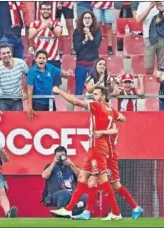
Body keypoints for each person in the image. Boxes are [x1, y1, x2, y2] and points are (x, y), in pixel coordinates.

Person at [50, 85, 123, 220]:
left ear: (102, 96)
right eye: (93, 94)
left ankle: (116, 212)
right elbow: (123, 118)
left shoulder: (98, 106)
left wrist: (60, 91)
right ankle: (69, 209)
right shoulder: (110, 109)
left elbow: (76, 102)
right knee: (83, 177)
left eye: (96, 94)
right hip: (94, 147)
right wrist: (108, 126)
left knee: (102, 179)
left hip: (98, 147)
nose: (93, 96)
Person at [72, 111, 144, 220]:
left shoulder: (110, 124)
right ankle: (87, 212)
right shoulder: (107, 122)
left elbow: (115, 128)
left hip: (109, 157)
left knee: (115, 185)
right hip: (103, 155)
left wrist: (101, 132)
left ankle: (133, 208)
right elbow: (122, 119)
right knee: (92, 181)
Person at [0, 43, 29, 122]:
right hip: (2, 99)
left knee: (18, 123)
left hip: (17, 99)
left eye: (8, 52)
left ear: (11, 53)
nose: (6, 55)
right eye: (3, 53)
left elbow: (29, 76)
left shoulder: (21, 63)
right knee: (3, 124)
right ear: (0, 55)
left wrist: (25, 90)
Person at [26, 50, 72, 120]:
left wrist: (68, 73)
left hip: (50, 101)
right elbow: (29, 90)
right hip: (38, 103)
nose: (41, 60)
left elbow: (63, 74)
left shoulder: (50, 67)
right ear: (35, 59)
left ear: (46, 60)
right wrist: (29, 107)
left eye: (43, 58)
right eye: (39, 58)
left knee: (52, 121)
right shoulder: (32, 72)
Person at [41, 146, 85, 216]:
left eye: (63, 156)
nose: (61, 158)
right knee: (65, 193)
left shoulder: (71, 166)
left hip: (71, 194)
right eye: (58, 156)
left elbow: (82, 176)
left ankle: (77, 214)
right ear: (55, 156)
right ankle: (60, 213)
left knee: (84, 196)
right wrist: (54, 162)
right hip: (53, 196)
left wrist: (71, 164)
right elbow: (44, 175)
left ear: (66, 156)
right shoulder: (50, 166)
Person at [136, 1, 164, 74]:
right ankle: (149, 83)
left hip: (163, 38)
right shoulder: (142, 4)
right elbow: (138, 20)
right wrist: (150, 7)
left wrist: (162, 11)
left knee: (163, 68)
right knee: (148, 67)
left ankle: (162, 85)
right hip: (148, 38)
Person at [73, 11, 102, 95]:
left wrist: (90, 35)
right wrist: (85, 40)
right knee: (79, 90)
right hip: (80, 64)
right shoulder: (77, 31)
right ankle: (78, 107)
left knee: (94, 90)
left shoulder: (97, 31)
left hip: (93, 64)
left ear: (92, 19)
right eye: (85, 18)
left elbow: (96, 45)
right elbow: (76, 48)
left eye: (89, 18)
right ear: (82, 20)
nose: (87, 20)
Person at [28, 1, 63, 68]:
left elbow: (58, 34)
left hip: (53, 60)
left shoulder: (57, 23)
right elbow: (30, 36)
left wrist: (51, 27)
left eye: (48, 9)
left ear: (51, 11)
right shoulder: (34, 23)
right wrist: (39, 28)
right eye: (43, 9)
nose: (46, 11)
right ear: (40, 10)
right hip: (38, 59)